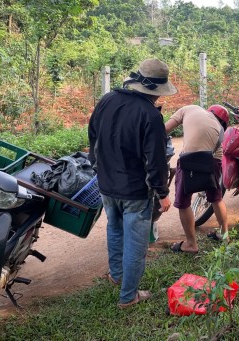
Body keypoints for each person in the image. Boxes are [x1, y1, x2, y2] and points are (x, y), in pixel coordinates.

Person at [88, 58, 176, 308]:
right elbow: (156, 160)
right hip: (135, 191)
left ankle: (116, 275)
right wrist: (162, 192)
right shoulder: (150, 115)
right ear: (156, 92)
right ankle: (129, 296)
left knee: (114, 229)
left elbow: (92, 133)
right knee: (136, 244)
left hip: (106, 185)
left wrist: (97, 165)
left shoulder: (107, 100)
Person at [165, 104, 230, 254]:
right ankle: (225, 236)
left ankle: (191, 244)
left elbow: (164, 129)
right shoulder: (220, 130)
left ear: (210, 111)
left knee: (183, 201)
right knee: (216, 198)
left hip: (190, 159)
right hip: (214, 159)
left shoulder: (189, 108)